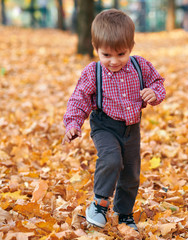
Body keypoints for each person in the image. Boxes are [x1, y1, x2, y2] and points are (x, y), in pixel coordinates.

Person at [62, 9, 166, 231]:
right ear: (96, 49)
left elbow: (158, 82)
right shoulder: (93, 73)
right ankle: (99, 204)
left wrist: (154, 94)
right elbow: (79, 99)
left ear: (131, 47)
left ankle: (124, 213)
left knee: (130, 172)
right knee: (111, 159)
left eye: (121, 53)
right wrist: (73, 124)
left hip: (131, 129)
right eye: (106, 55)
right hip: (104, 126)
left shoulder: (140, 66)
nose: (114, 61)